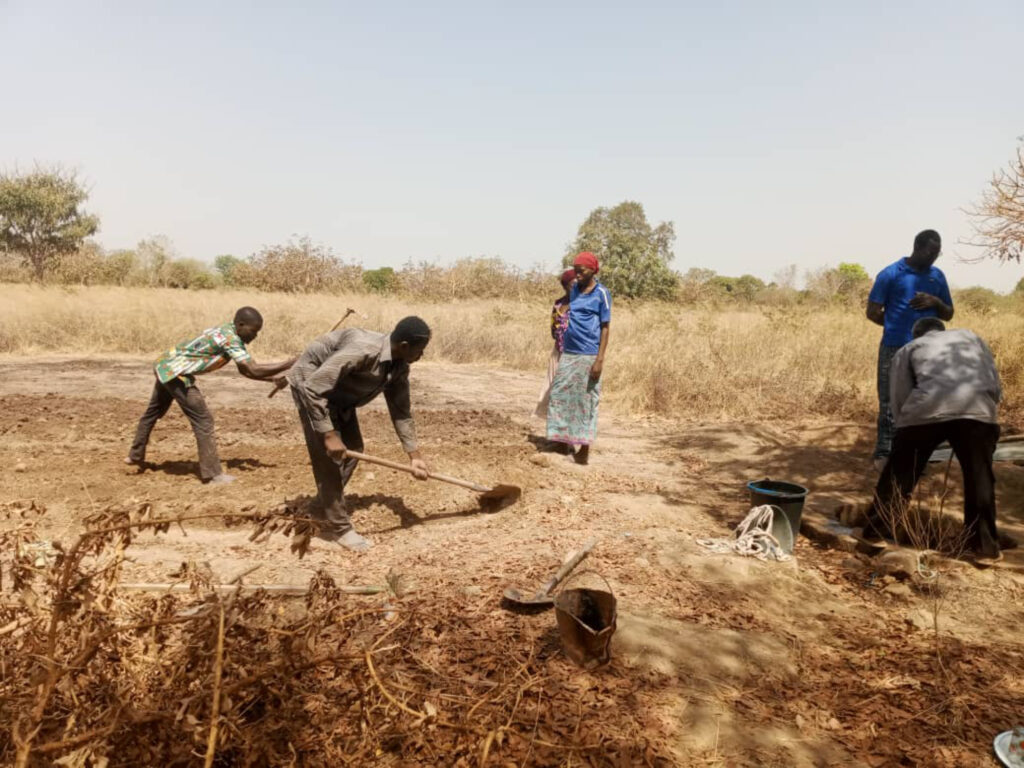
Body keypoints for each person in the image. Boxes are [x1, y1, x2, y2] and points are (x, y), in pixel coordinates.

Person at [856, 318, 1004, 566]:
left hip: (924, 412)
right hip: (978, 412)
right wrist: (988, 408)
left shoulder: (910, 349)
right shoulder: (971, 337)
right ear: (941, 330)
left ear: (917, 334)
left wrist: (906, 430)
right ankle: (985, 548)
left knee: (899, 474)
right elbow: (993, 380)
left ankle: (876, 535)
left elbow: (899, 396)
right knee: (980, 478)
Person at [287, 316, 432, 552]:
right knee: (329, 459)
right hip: (311, 387)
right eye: (420, 350)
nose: (422, 355)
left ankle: (321, 505)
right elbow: (313, 388)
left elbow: (401, 411)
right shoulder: (363, 350)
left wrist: (414, 455)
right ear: (404, 346)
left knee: (353, 448)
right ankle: (340, 529)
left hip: (339, 394)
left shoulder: (399, 366)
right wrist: (328, 434)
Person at [127, 307, 297, 484]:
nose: (255, 336)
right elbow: (252, 368)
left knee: (153, 412)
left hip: (165, 365)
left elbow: (245, 371)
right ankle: (212, 474)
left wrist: (273, 379)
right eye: (253, 331)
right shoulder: (231, 339)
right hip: (176, 373)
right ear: (240, 324)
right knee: (203, 420)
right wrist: (290, 363)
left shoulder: (228, 332)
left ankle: (135, 455)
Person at [866, 229, 953, 470]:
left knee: (925, 401)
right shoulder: (891, 274)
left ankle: (916, 457)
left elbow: (949, 313)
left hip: (931, 351)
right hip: (894, 346)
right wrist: (895, 323)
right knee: (890, 402)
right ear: (918, 248)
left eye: (938, 253)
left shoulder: (938, 277)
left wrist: (936, 303)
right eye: (931, 252)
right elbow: (872, 312)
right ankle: (885, 454)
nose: (935, 257)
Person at [546, 252, 610, 465]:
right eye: (575, 269)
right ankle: (562, 441)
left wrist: (599, 359)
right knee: (559, 395)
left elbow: (605, 327)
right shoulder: (574, 290)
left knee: (587, 400)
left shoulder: (602, 293)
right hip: (569, 352)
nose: (577, 274)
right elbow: (563, 315)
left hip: (589, 353)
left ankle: (584, 448)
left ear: (593, 270)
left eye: (581, 270)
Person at [533, 268, 576, 419]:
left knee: (566, 392)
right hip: (558, 353)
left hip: (574, 354)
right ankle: (556, 433)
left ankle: (565, 435)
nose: (576, 287)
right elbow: (553, 330)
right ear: (565, 286)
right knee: (553, 390)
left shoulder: (582, 306)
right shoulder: (558, 305)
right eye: (572, 284)